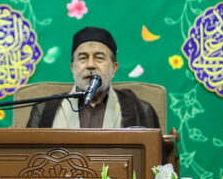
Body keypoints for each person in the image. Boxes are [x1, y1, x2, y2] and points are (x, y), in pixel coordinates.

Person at [25, 26, 160, 129]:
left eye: (99, 58)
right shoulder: (45, 109)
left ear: (114, 68)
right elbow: (29, 155)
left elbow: (153, 155)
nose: (90, 65)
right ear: (72, 68)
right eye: (83, 58)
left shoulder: (140, 109)